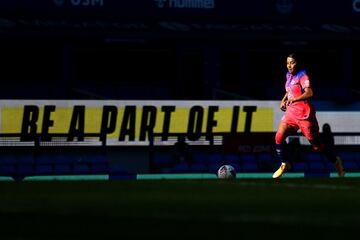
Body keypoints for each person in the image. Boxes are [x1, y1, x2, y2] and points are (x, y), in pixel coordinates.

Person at [272, 53, 345, 178]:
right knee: (278, 136)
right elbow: (288, 90)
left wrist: (294, 100)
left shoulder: (302, 76)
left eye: (292, 62)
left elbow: (310, 92)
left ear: (298, 63)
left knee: (317, 146)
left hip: (305, 115)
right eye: (288, 63)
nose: (289, 65)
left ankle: (336, 161)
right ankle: (284, 163)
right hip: (291, 114)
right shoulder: (288, 75)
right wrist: (283, 100)